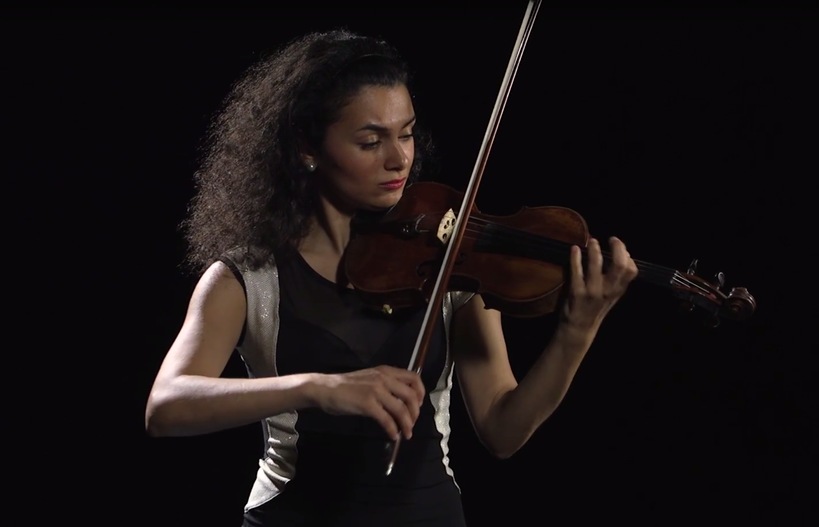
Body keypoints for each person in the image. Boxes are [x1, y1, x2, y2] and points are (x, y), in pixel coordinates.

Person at [144, 27, 638, 526]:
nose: (399, 158)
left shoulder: (450, 262)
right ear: (306, 146)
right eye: (370, 141)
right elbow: (166, 406)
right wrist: (316, 387)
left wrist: (577, 330)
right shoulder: (248, 278)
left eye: (406, 133)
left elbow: (503, 431)